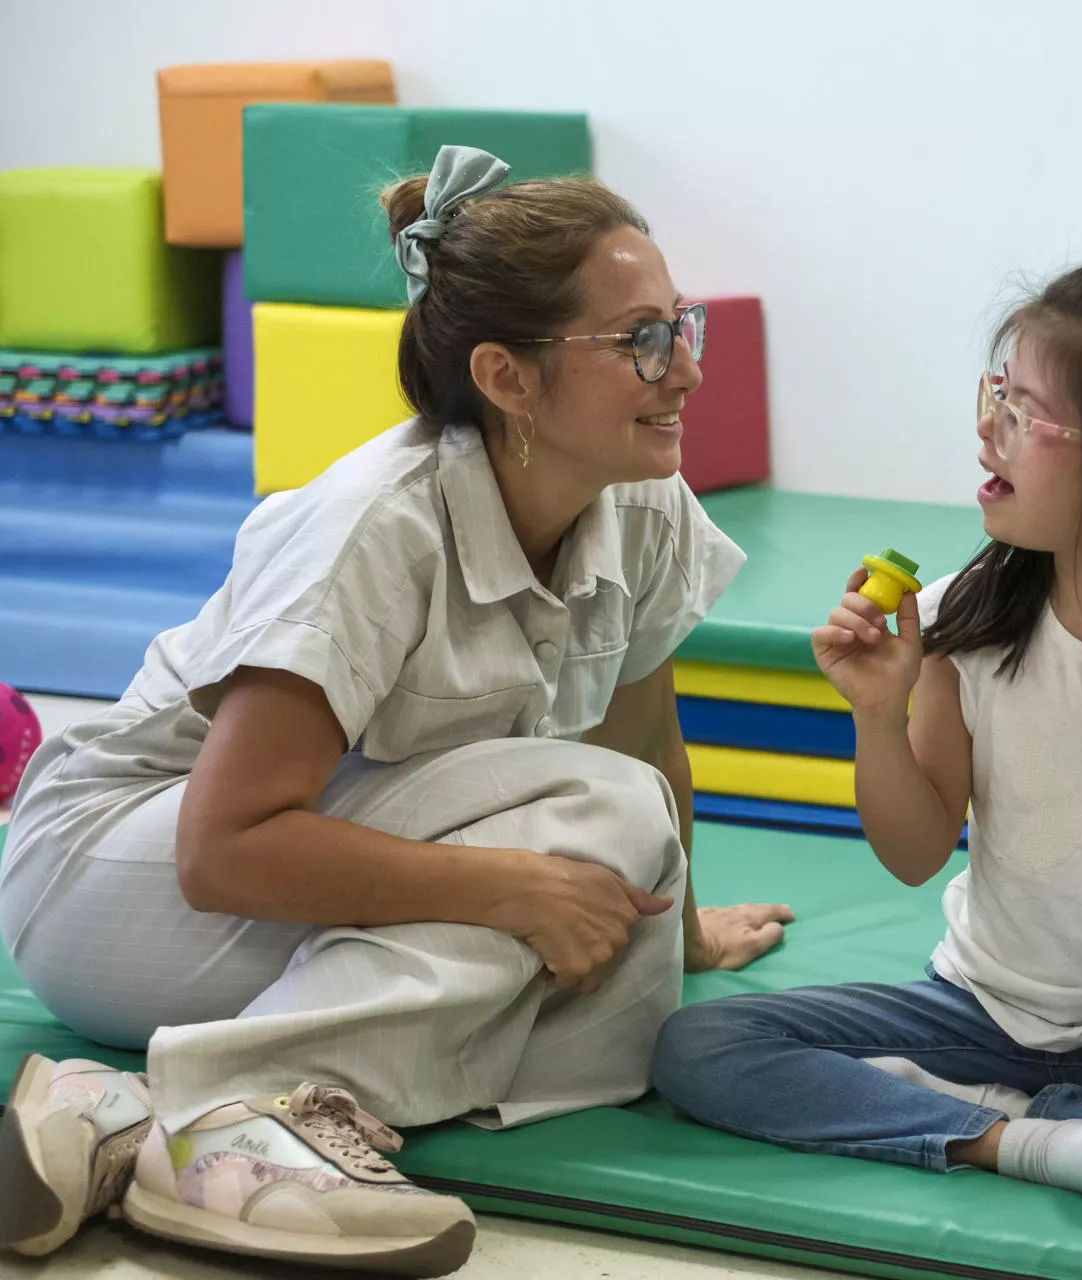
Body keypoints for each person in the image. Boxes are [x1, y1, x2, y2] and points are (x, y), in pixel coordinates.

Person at [0, 145, 791, 1276]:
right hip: (113, 875)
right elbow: (220, 848)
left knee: (628, 987)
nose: (686, 372)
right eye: (641, 342)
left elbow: (645, 741)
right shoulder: (376, 526)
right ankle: (205, 1110)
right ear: (507, 378)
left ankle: (125, 1115)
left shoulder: (642, 500)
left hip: (315, 861)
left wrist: (685, 928)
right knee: (581, 827)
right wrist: (507, 885)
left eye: (683, 326)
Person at [650, 263, 1082, 1219]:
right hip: (973, 1012)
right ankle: (1015, 1138)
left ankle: (991, 1115)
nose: (987, 428)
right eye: (995, 394)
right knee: (697, 1049)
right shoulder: (964, 620)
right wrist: (876, 715)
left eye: (1022, 413)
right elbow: (911, 854)